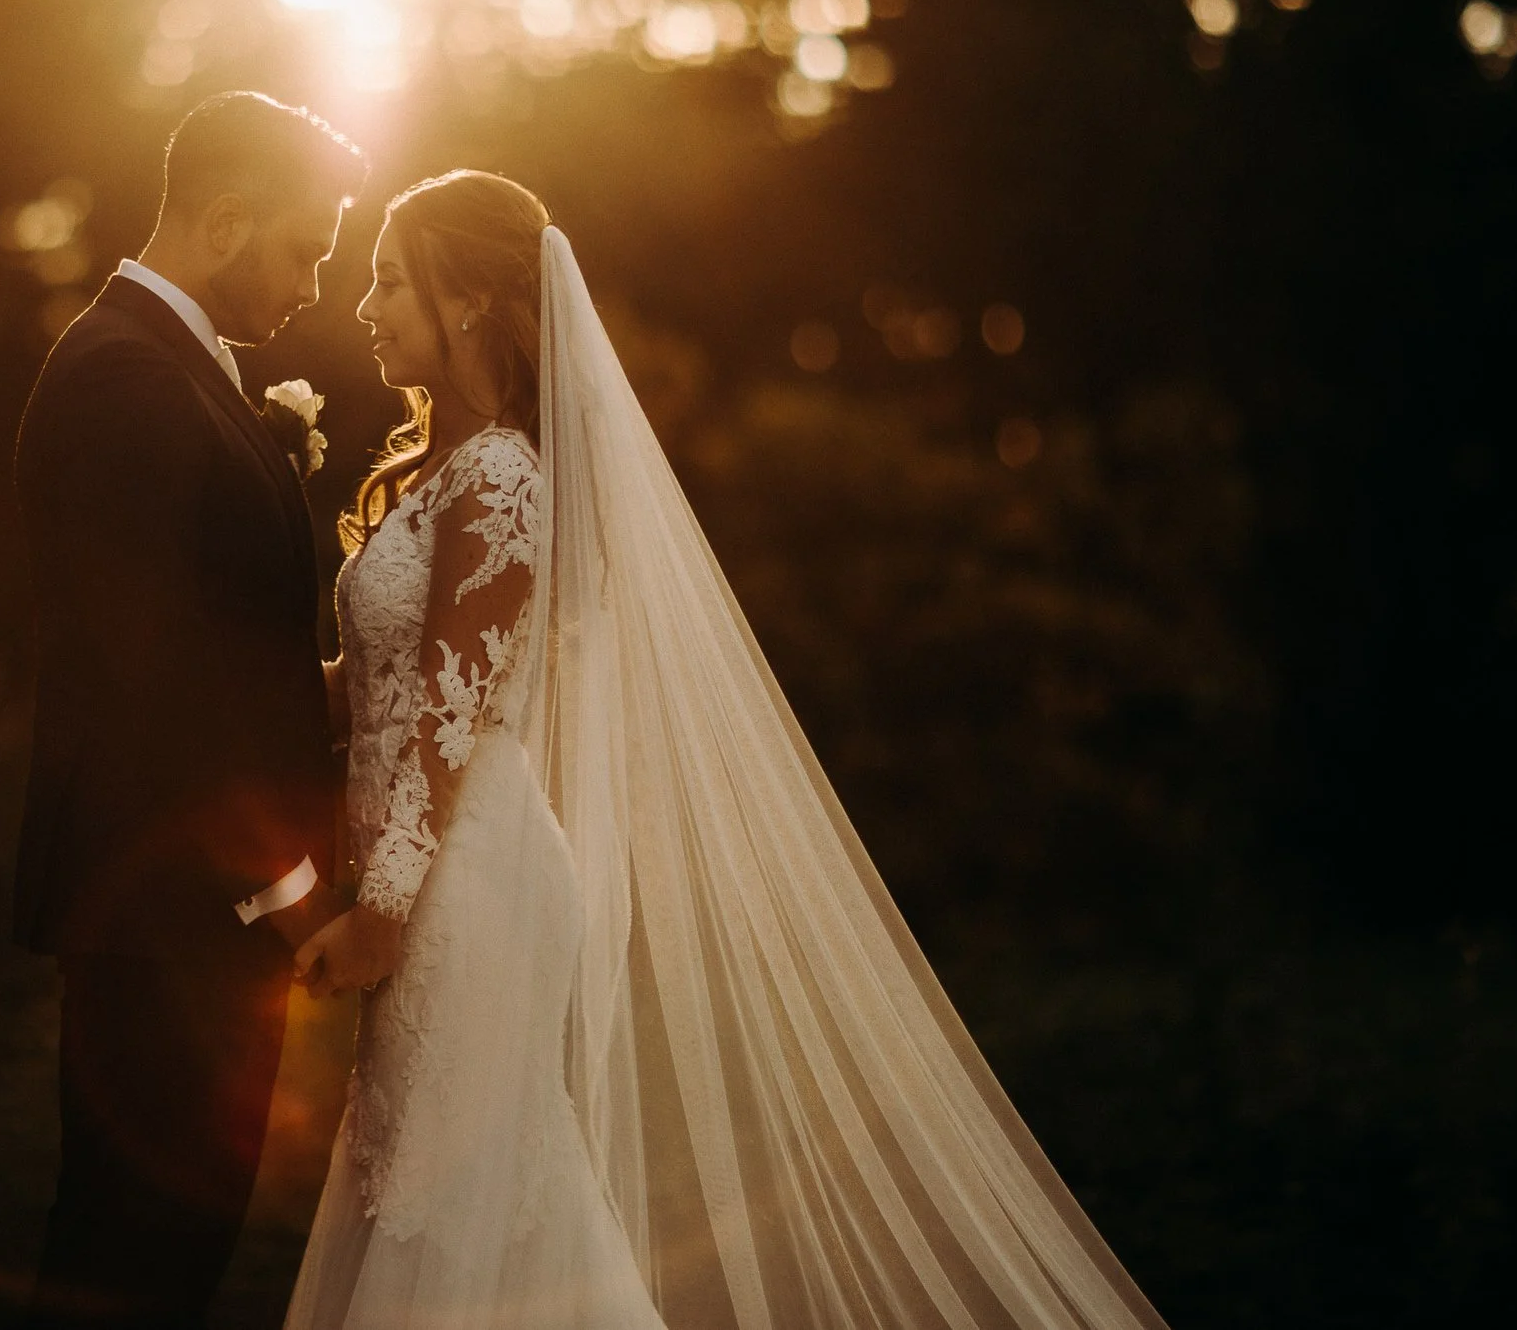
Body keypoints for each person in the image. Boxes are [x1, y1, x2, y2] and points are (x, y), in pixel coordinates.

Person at [285, 171, 1171, 1330]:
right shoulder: (434, 476)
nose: (363, 306)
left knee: (454, 1204)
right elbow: (381, 694)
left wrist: (384, 913)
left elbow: (451, 715)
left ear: (465, 301)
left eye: (388, 280)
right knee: (434, 1189)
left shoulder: (501, 473)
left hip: (468, 888)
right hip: (437, 869)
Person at [12, 91, 365, 1329]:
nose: (316, 281)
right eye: (304, 247)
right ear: (224, 221)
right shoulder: (125, 384)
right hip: (164, 905)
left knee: (159, 1258)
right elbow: (146, 686)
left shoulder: (173, 372)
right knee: (130, 1264)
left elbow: (221, 657)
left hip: (188, 910)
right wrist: (282, 886)